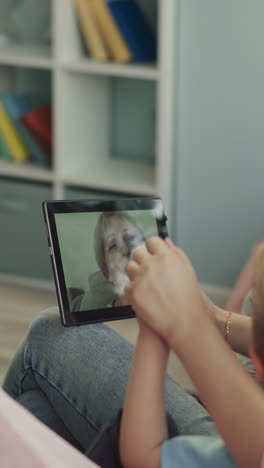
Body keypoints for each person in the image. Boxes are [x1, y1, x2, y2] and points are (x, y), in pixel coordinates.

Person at [2, 237, 264, 467]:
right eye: (113, 246)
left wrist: (175, 325)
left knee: (50, 332)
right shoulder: (94, 291)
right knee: (36, 410)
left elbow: (145, 455)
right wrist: (212, 318)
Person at [70, 211, 145, 311]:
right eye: (113, 246)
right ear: (106, 269)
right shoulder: (94, 303)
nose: (124, 249)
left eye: (130, 237)